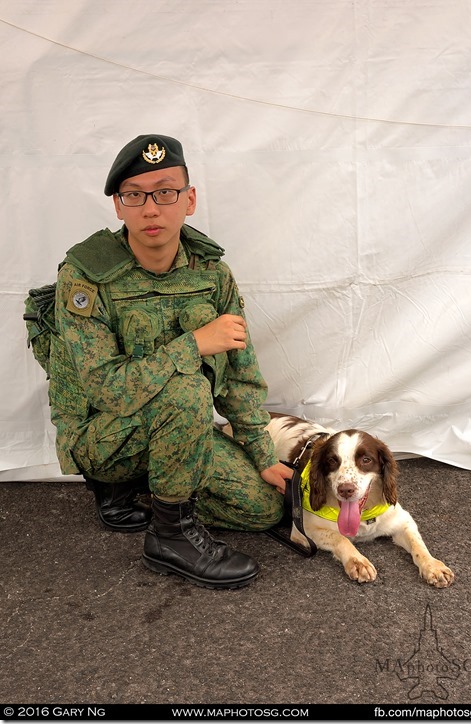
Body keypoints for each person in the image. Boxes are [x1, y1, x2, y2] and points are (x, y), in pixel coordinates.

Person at [49, 134, 293, 589]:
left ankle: (156, 485)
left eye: (165, 192)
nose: (151, 208)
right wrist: (193, 345)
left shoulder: (210, 273)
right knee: (187, 388)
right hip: (104, 438)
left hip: (177, 427)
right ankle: (169, 536)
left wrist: (261, 454)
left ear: (190, 199)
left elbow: (240, 376)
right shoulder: (84, 276)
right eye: (134, 195)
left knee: (262, 509)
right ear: (119, 207)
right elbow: (106, 388)